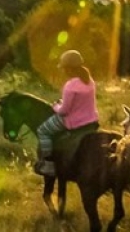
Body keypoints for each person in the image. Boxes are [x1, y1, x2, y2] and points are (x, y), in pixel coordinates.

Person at [34, 49, 100, 177]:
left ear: (69, 69)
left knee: (43, 130)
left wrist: (55, 106)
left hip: (74, 122)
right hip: (91, 120)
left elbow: (64, 111)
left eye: (64, 68)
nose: (63, 71)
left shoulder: (70, 85)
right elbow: (81, 102)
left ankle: (48, 166)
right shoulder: (89, 81)